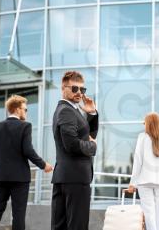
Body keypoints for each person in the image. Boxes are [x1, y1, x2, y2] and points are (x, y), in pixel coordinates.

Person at [0, 95, 53, 230]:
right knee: (18, 214)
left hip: (0, 176)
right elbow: (28, 150)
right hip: (19, 177)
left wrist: (3, 158)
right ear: (17, 109)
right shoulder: (25, 126)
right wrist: (43, 165)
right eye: (25, 109)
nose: (26, 112)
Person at [51, 71, 99, 230]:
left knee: (62, 226)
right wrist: (93, 146)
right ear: (64, 88)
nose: (79, 93)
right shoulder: (66, 110)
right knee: (76, 225)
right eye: (74, 89)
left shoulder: (71, 110)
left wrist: (91, 113)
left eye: (82, 90)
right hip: (75, 178)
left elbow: (88, 135)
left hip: (67, 177)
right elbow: (71, 144)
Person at [128, 112, 159, 230]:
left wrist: (132, 182)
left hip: (145, 181)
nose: (144, 125)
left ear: (149, 124)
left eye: (145, 123)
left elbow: (138, 162)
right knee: (158, 214)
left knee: (149, 214)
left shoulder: (142, 137)